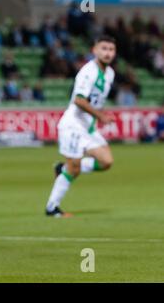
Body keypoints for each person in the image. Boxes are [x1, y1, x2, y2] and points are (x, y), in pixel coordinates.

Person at [45, 35, 117, 217]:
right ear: (94, 50)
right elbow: (79, 100)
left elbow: (96, 100)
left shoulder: (110, 73)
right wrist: (101, 116)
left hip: (88, 126)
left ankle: (62, 169)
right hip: (74, 125)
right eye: (104, 48)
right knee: (74, 169)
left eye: (111, 49)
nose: (107, 53)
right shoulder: (88, 72)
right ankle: (52, 208)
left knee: (106, 161)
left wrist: (97, 116)